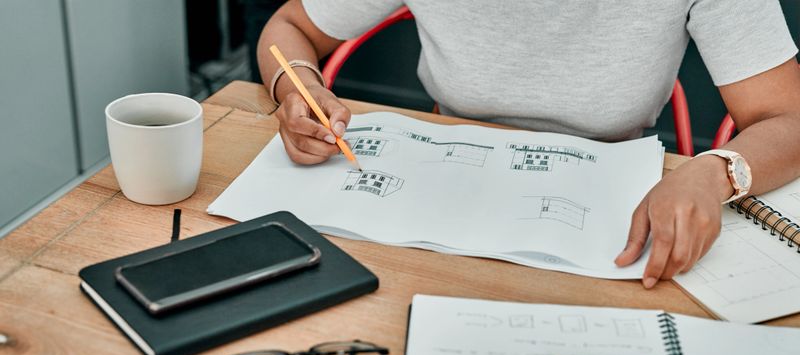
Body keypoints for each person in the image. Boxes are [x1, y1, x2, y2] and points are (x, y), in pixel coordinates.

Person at [256, 0, 800, 288]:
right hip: (433, 195)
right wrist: (298, 87)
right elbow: (288, 25)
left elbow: (788, 115)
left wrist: (714, 173)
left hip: (617, 204)